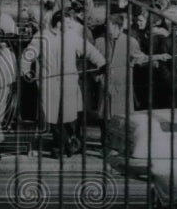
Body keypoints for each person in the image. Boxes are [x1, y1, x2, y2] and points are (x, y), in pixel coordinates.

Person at [20, 9, 106, 157]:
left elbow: (90, 50)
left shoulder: (72, 37)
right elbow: (28, 55)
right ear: (58, 23)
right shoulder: (42, 37)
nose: (70, 25)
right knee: (53, 117)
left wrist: (102, 63)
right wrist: (26, 71)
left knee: (69, 116)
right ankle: (58, 148)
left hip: (69, 83)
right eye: (67, 23)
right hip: (50, 82)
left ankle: (70, 144)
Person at [95, 13, 148, 147]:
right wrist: (100, 79)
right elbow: (92, 64)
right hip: (105, 86)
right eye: (106, 24)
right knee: (104, 117)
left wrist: (144, 59)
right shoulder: (99, 42)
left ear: (118, 27)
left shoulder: (131, 42)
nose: (106, 27)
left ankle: (120, 145)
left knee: (122, 118)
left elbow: (141, 60)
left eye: (110, 25)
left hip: (123, 87)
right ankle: (105, 145)